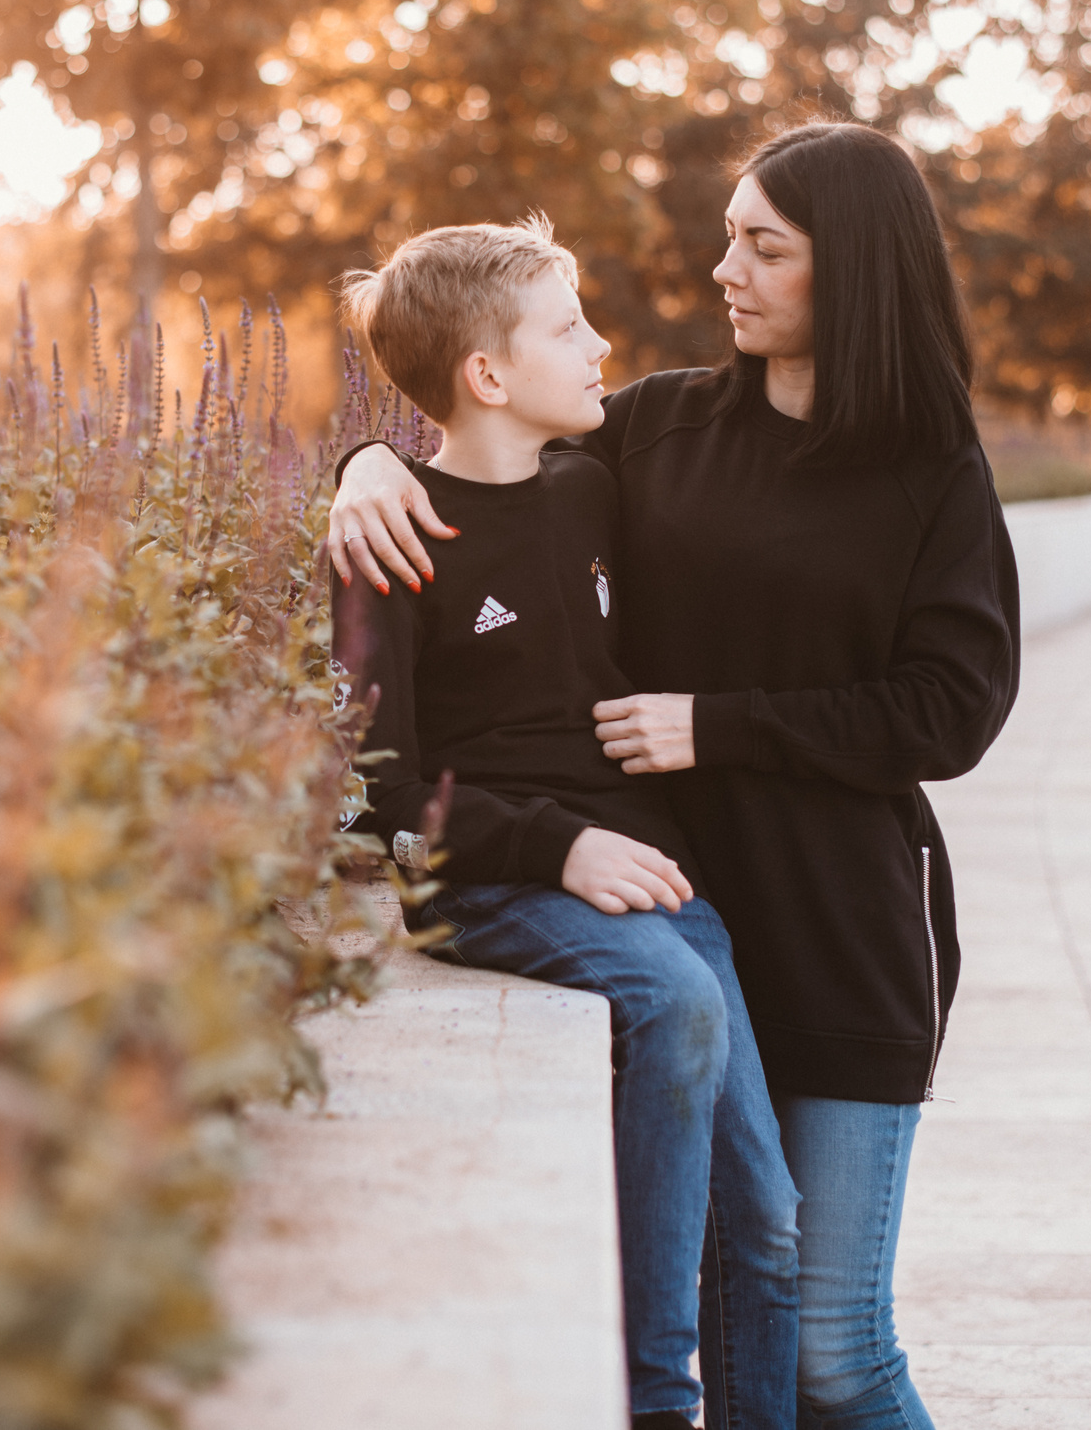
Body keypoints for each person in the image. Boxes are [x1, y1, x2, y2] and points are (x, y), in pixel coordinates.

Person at [330, 124, 1020, 1430]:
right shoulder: (655, 429)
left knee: (837, 1353)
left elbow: (956, 709)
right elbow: (479, 463)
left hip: (840, 936)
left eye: (763, 245)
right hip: (671, 911)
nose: (724, 270)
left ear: (852, 269)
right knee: (737, 1303)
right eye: (729, 237)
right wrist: (360, 468)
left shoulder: (934, 474)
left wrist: (721, 725)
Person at [331, 218, 798, 1430]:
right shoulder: (395, 538)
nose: (599, 345)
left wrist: (355, 448)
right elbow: (384, 793)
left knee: (769, 1219)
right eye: (567, 325)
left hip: (643, 869)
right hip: (496, 875)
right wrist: (560, 847)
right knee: (676, 1004)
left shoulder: (592, 486)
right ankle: (655, 1404)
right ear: (488, 374)